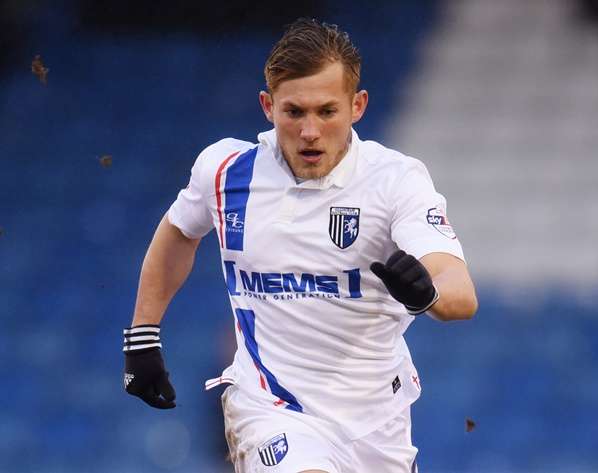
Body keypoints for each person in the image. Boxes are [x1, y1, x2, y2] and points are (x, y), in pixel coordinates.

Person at [123, 18, 478, 473]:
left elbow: (460, 292)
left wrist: (429, 293)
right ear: (268, 106)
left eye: (327, 111)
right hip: (271, 407)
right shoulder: (227, 171)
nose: (310, 130)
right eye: (295, 112)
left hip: (376, 421)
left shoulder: (395, 181)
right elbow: (178, 231)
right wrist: (142, 336)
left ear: (358, 106)